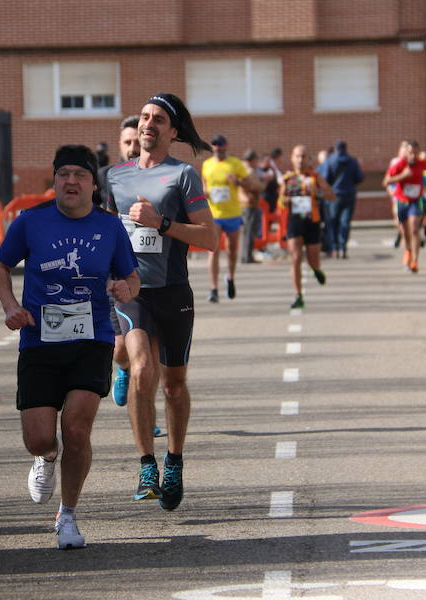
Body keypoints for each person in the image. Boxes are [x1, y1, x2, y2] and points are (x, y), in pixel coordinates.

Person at [0, 144, 140, 549]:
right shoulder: (30, 222)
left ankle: (68, 516)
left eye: (79, 174)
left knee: (76, 427)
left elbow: (131, 277)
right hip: (40, 338)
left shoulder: (110, 228)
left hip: (92, 338)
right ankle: (45, 458)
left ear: (94, 183)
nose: (70, 181)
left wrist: (125, 288)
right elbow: (0, 266)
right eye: (63, 174)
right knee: (40, 438)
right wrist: (11, 306)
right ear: (54, 180)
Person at [107, 93, 218, 511]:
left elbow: (209, 238)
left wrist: (163, 223)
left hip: (173, 292)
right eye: (145, 118)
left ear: (173, 131)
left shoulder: (183, 175)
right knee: (140, 369)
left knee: (172, 384)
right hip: (131, 292)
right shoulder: (115, 177)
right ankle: (146, 464)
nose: (148, 124)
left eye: (158, 120)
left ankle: (174, 459)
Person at [98, 116, 162, 436]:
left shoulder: (162, 176)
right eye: (126, 143)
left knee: (150, 358)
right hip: (118, 274)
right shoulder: (108, 178)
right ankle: (121, 369)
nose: (131, 148)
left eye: (136, 142)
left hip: (154, 277)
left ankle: (147, 417)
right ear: (119, 145)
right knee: (122, 349)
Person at [201, 135, 256, 301]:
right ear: (212, 147)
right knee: (214, 250)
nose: (218, 148)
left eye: (221, 145)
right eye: (215, 145)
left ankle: (230, 278)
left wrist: (237, 181)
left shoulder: (235, 163)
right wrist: (205, 192)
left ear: (226, 146)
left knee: (232, 251)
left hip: (232, 213)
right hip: (215, 214)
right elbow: (204, 183)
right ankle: (214, 288)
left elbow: (250, 184)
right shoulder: (207, 164)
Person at [279, 145, 331, 308]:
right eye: (297, 156)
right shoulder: (288, 178)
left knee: (312, 259)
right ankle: (298, 295)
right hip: (294, 222)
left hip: (312, 221)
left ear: (309, 159)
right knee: (295, 258)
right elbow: (280, 202)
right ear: (292, 158)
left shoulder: (315, 176)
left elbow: (332, 195)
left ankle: (317, 270)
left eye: (304, 157)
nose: (300, 160)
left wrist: (317, 192)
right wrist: (288, 200)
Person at [383, 140, 426, 273]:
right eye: (411, 153)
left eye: (416, 153)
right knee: (405, 232)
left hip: (416, 201)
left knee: (415, 229)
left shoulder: (424, 164)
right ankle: (408, 251)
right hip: (402, 201)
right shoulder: (400, 164)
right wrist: (402, 176)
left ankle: (415, 261)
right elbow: (386, 182)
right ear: (407, 152)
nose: (413, 156)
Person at [323, 140, 365, 259]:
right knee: (345, 222)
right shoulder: (352, 161)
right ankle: (343, 247)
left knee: (333, 221)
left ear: (335, 149)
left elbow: (325, 179)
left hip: (334, 195)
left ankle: (335, 247)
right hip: (349, 195)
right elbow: (359, 178)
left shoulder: (330, 161)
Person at [239, 150, 268, 264]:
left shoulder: (242, 170)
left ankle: (246, 255)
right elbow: (257, 186)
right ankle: (247, 256)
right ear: (252, 160)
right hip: (249, 205)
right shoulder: (249, 172)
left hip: (245, 204)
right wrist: (265, 182)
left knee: (247, 231)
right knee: (248, 231)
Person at [316, 148, 334, 256]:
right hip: (326, 200)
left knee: (327, 224)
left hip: (324, 201)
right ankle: (329, 246)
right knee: (329, 224)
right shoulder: (329, 168)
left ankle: (328, 247)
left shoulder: (319, 169)